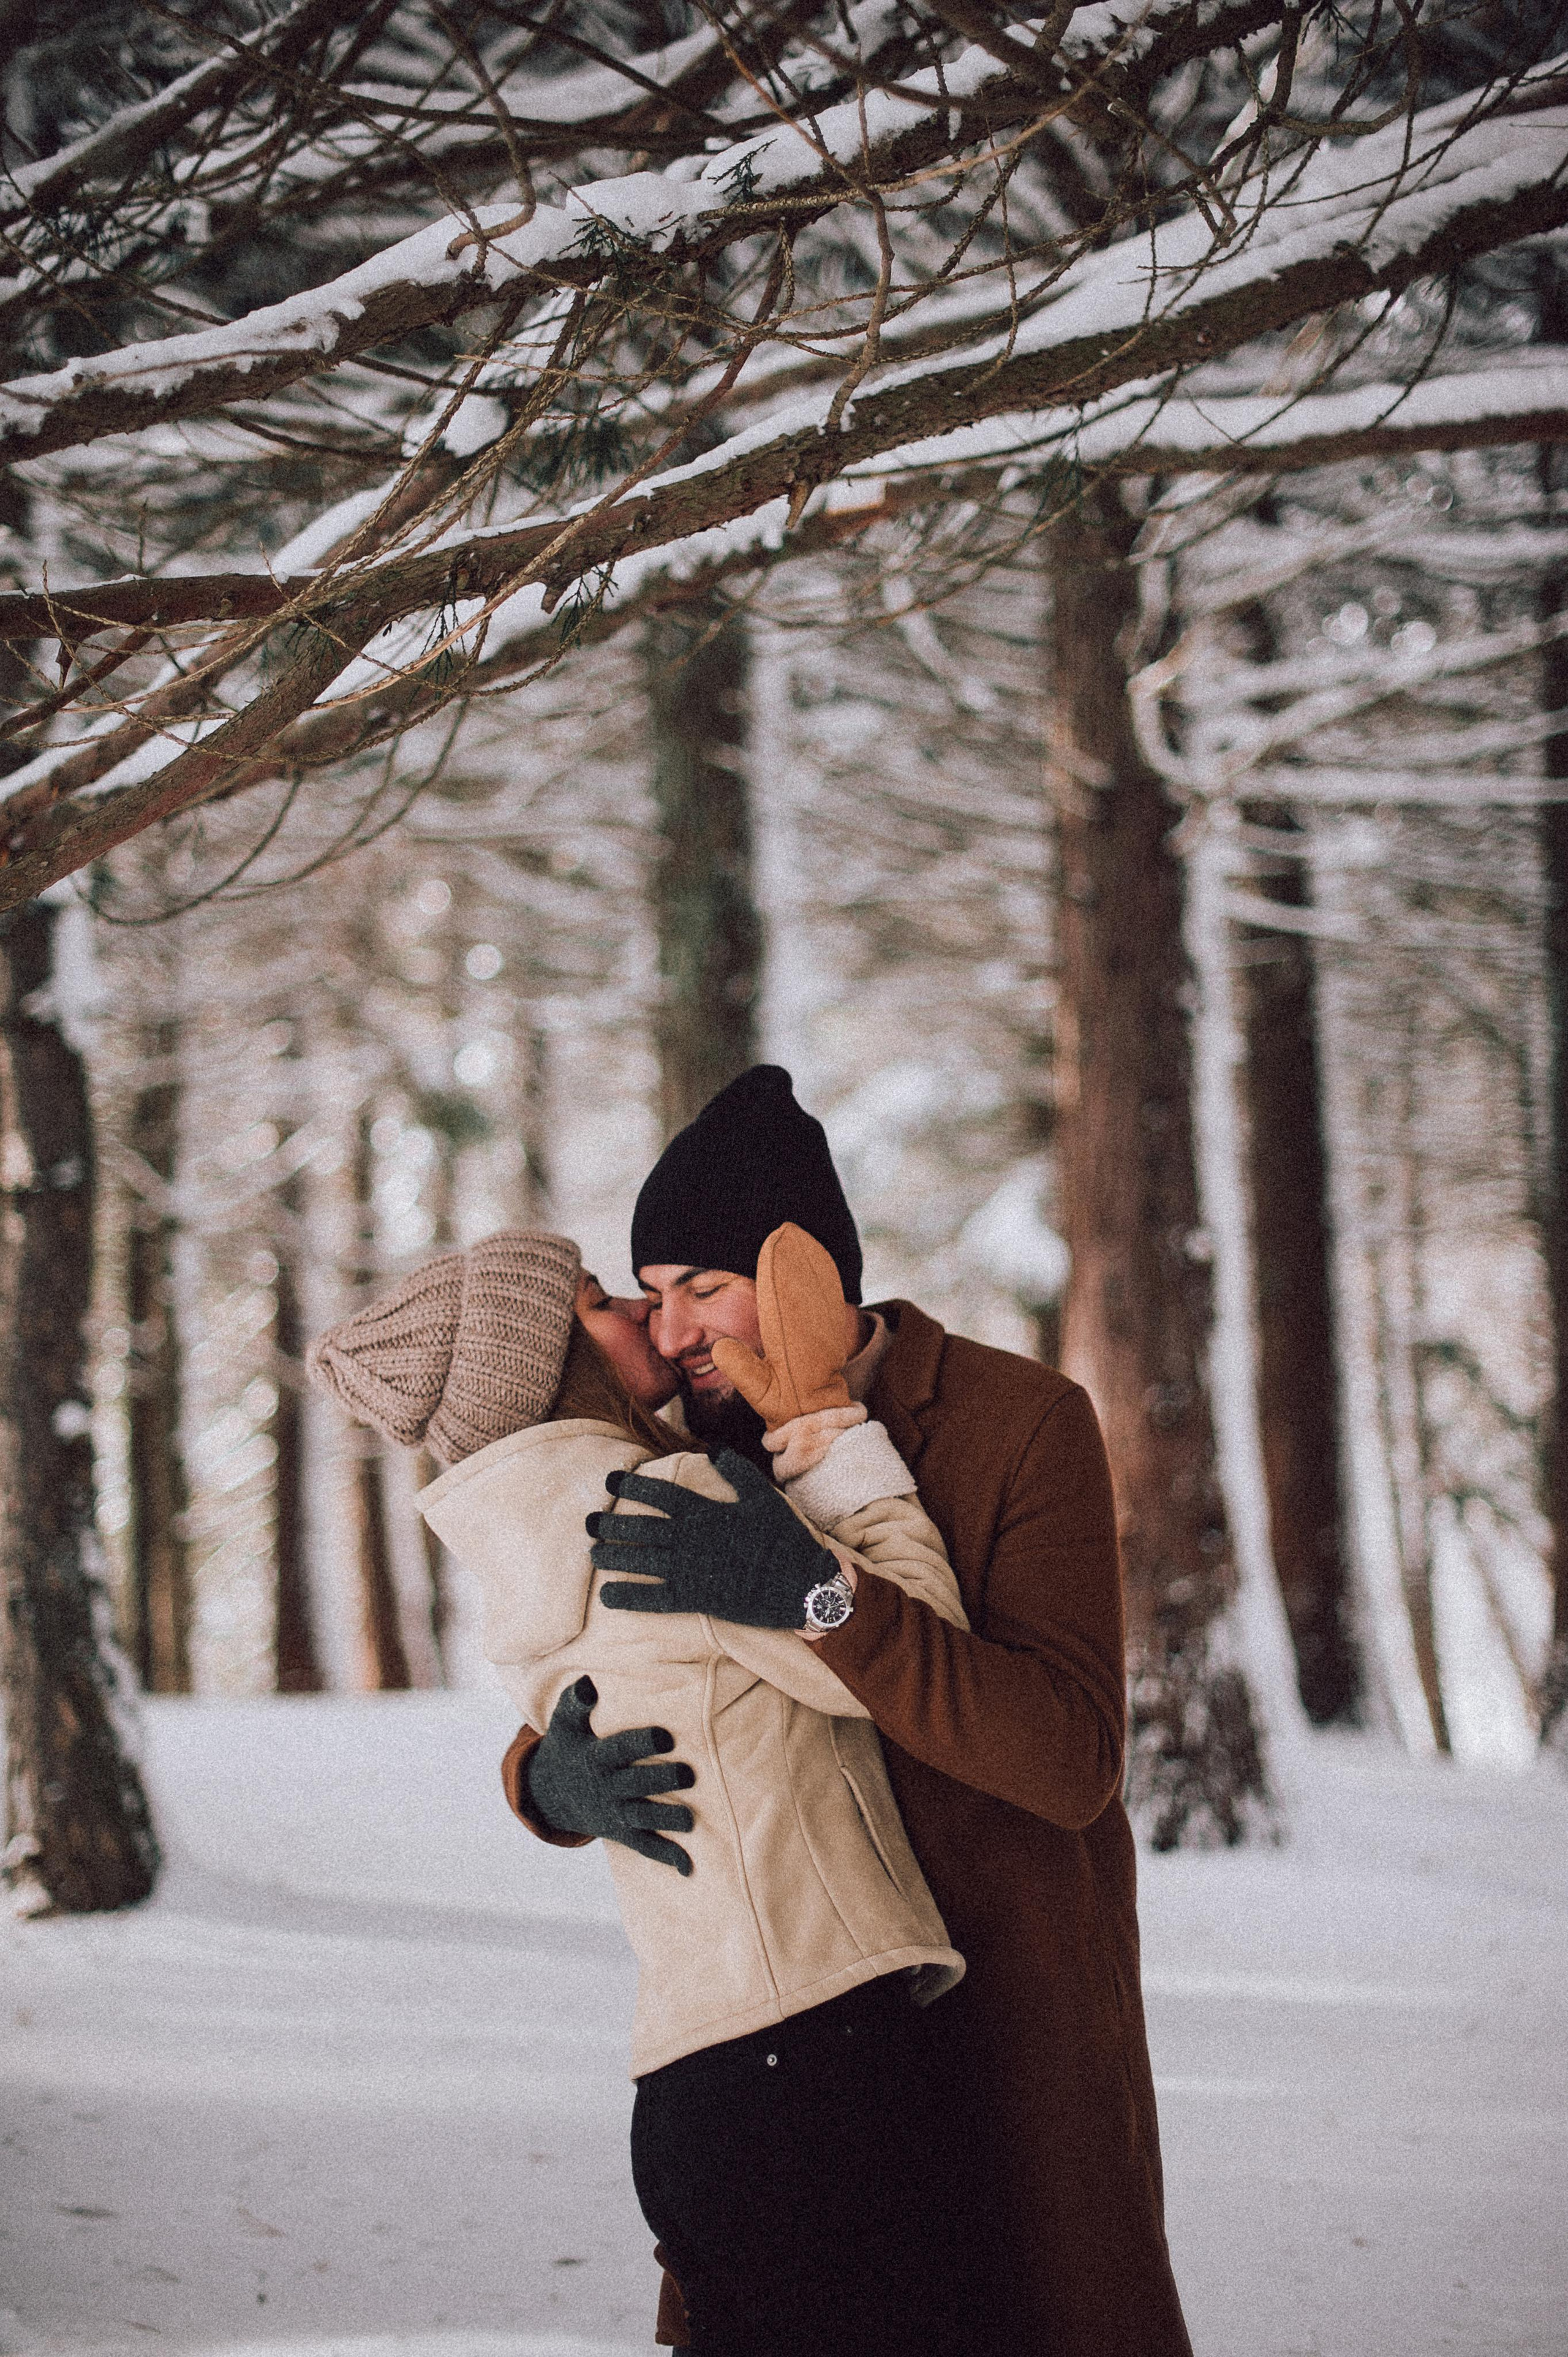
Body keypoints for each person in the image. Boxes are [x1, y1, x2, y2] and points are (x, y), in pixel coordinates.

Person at [503, 1065, 1196, 2357]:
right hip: (796, 2059)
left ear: (806, 1267)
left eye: (702, 1287)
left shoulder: (1011, 1423)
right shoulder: (685, 1447)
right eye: (650, 1294)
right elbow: (610, 1662)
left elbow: (1067, 1759)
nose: (668, 1334)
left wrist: (821, 1596)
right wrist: (549, 1779)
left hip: (1001, 2025)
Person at [307, 1222, 980, 2357]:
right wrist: (827, 1427)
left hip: (695, 2079)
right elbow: (920, 1646)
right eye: (598, 1303)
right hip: (810, 2050)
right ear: (558, 1365)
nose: (639, 1313)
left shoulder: (521, 1552)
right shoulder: (668, 1503)